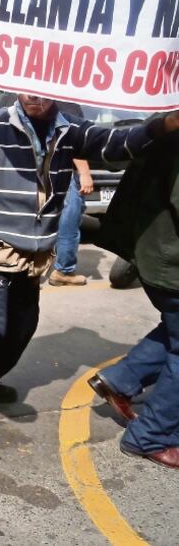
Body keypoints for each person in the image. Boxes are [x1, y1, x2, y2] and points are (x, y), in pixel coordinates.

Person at [0, 77, 179, 431]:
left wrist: (163, 124)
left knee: (21, 327)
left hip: (33, 255)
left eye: (40, 89)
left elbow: (116, 144)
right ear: (15, 88)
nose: (33, 95)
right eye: (25, 88)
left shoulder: (71, 130)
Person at [90, 130, 179, 469]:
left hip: (156, 252)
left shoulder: (165, 123)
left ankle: (121, 378)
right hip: (169, 260)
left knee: (174, 329)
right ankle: (151, 436)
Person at [49, 157, 93, 286]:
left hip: (46, 171)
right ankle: (64, 272)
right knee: (69, 223)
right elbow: (73, 143)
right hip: (64, 172)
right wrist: (85, 174)